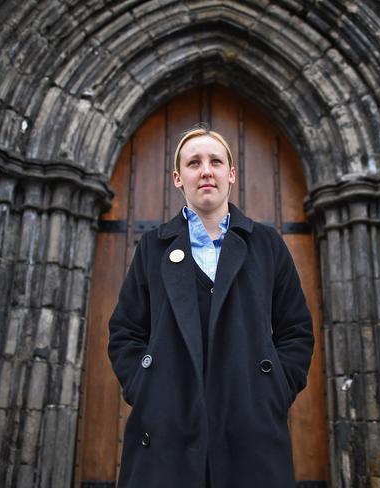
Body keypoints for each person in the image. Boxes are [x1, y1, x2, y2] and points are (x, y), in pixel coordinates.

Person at [107, 124, 314, 488]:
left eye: (216, 161)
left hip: (250, 426)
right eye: (194, 163)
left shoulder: (266, 244)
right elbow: (125, 331)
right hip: (167, 425)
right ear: (177, 177)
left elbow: (296, 329)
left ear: (230, 174)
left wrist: (274, 390)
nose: (205, 170)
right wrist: (146, 386)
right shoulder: (153, 247)